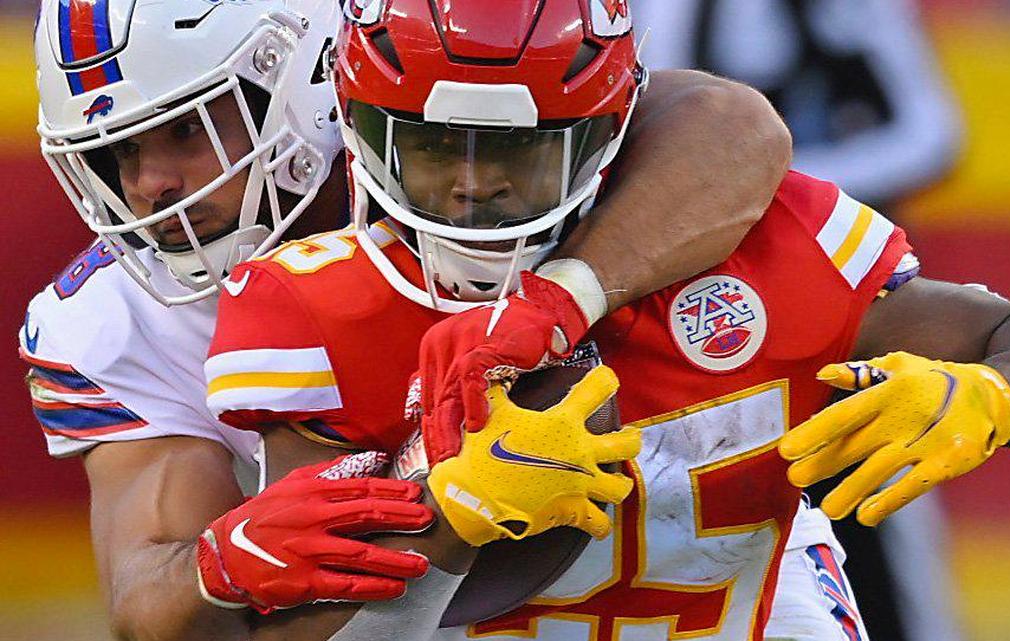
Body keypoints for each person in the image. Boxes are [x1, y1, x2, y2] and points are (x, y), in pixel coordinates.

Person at [204, 1, 1010, 640]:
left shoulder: (761, 243)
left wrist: (994, 395)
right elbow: (294, 628)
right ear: (363, 127)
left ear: (607, 135)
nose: (474, 181)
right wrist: (445, 515)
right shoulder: (308, 300)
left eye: (519, 150)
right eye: (438, 144)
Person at [21, 0, 793, 639]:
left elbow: (728, 127)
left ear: (306, 82)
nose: (152, 186)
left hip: (695, 563)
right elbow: (147, 600)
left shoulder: (442, 134)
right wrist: (219, 563)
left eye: (187, 130)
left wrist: (558, 299)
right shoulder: (109, 318)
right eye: (118, 154)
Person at [633, 1, 964, 637]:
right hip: (675, 303)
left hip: (822, 296)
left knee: (878, 498)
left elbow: (933, 132)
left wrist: (784, 196)